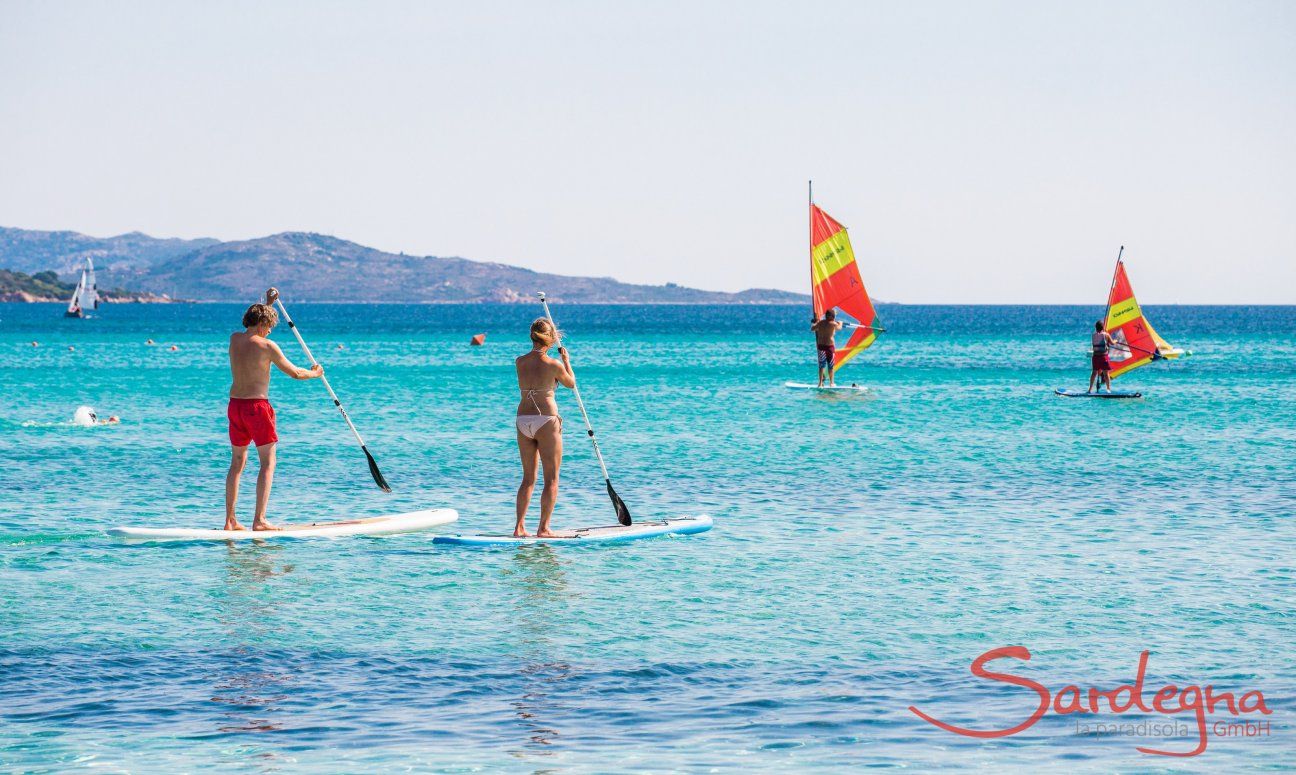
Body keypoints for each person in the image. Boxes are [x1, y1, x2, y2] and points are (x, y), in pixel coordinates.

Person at [224, 288, 323, 531]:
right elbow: (296, 373)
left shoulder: (235, 339)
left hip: (235, 406)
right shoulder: (267, 346)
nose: (270, 330)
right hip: (257, 408)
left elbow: (255, 322)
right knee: (267, 463)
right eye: (269, 325)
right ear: (262, 323)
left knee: (237, 463)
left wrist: (268, 303)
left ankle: (230, 520)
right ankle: (259, 520)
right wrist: (316, 372)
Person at [514, 318, 575, 537]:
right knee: (551, 479)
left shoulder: (519, 361)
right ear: (550, 338)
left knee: (528, 478)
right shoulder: (554, 364)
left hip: (523, 420)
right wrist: (566, 360)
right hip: (546, 420)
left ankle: (519, 527)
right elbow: (571, 384)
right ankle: (544, 528)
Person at [811, 309, 845, 387]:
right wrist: (841, 323)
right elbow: (839, 328)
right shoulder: (833, 324)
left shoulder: (820, 323)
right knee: (831, 366)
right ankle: (831, 383)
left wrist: (815, 323)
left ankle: (820, 383)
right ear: (832, 316)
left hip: (821, 347)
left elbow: (812, 329)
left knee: (821, 366)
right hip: (829, 347)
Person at [1089, 321, 1116, 393]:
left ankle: (1090, 389)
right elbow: (1112, 343)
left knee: (1094, 373)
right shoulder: (1106, 335)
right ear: (1103, 327)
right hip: (1103, 357)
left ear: (1096, 327)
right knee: (1106, 373)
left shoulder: (1093, 335)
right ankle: (1108, 389)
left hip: (1095, 357)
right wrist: (1116, 340)